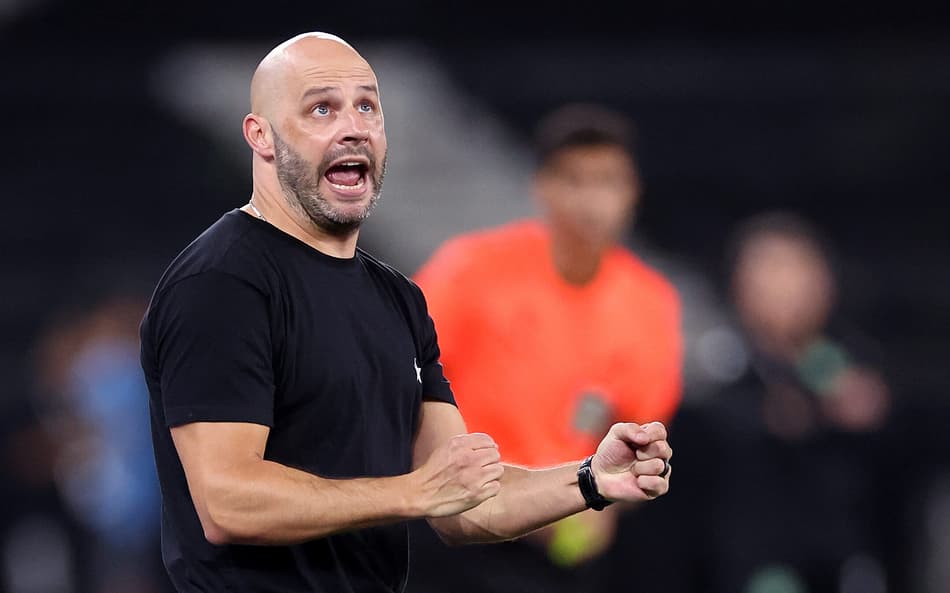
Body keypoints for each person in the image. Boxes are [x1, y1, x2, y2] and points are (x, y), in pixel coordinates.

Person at [139, 33, 674, 593]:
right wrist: (413, 492)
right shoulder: (223, 282)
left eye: (367, 106)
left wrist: (591, 479)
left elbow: (466, 505)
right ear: (261, 136)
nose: (353, 126)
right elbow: (227, 502)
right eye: (322, 108)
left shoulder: (396, 298)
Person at [408, 105, 682, 593]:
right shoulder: (470, 271)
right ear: (542, 186)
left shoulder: (651, 304)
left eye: (607, 181)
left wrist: (611, 501)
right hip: (460, 527)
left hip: (567, 530)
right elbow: (403, 378)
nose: (591, 200)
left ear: (632, 190)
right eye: (574, 180)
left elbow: (642, 438)